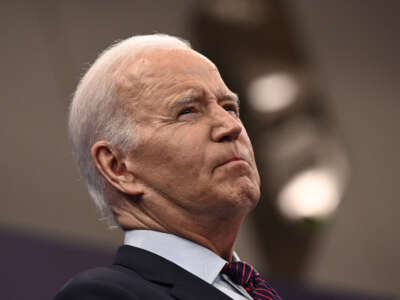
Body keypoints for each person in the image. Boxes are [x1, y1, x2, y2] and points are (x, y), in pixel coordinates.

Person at [54, 34, 281, 300]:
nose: (231, 127)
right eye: (187, 111)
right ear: (119, 167)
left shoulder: (252, 291)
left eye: (229, 107)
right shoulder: (103, 295)